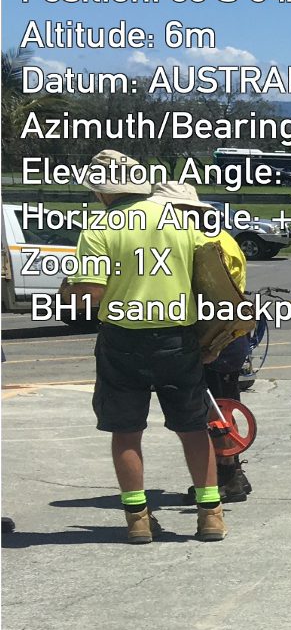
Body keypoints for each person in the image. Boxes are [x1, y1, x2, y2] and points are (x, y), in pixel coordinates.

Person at [59, 149, 225, 542]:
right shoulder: (180, 222)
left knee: (127, 431)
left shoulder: (99, 228)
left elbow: (91, 293)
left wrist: (69, 287)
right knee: (192, 428)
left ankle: (137, 519)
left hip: (122, 340)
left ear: (102, 192)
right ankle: (210, 514)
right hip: (177, 337)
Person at [153, 180, 254, 502]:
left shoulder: (200, 244)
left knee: (215, 412)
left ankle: (226, 480)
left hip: (214, 335)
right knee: (223, 404)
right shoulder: (219, 237)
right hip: (230, 332)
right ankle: (234, 473)